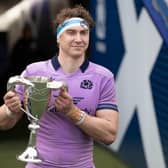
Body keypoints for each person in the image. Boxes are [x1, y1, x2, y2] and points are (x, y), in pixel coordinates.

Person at [0, 5, 119, 168]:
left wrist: (72, 112)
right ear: (58, 37)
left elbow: (109, 134)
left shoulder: (103, 77)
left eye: (83, 33)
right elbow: (4, 123)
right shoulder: (34, 72)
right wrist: (10, 110)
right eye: (71, 32)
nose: (79, 39)